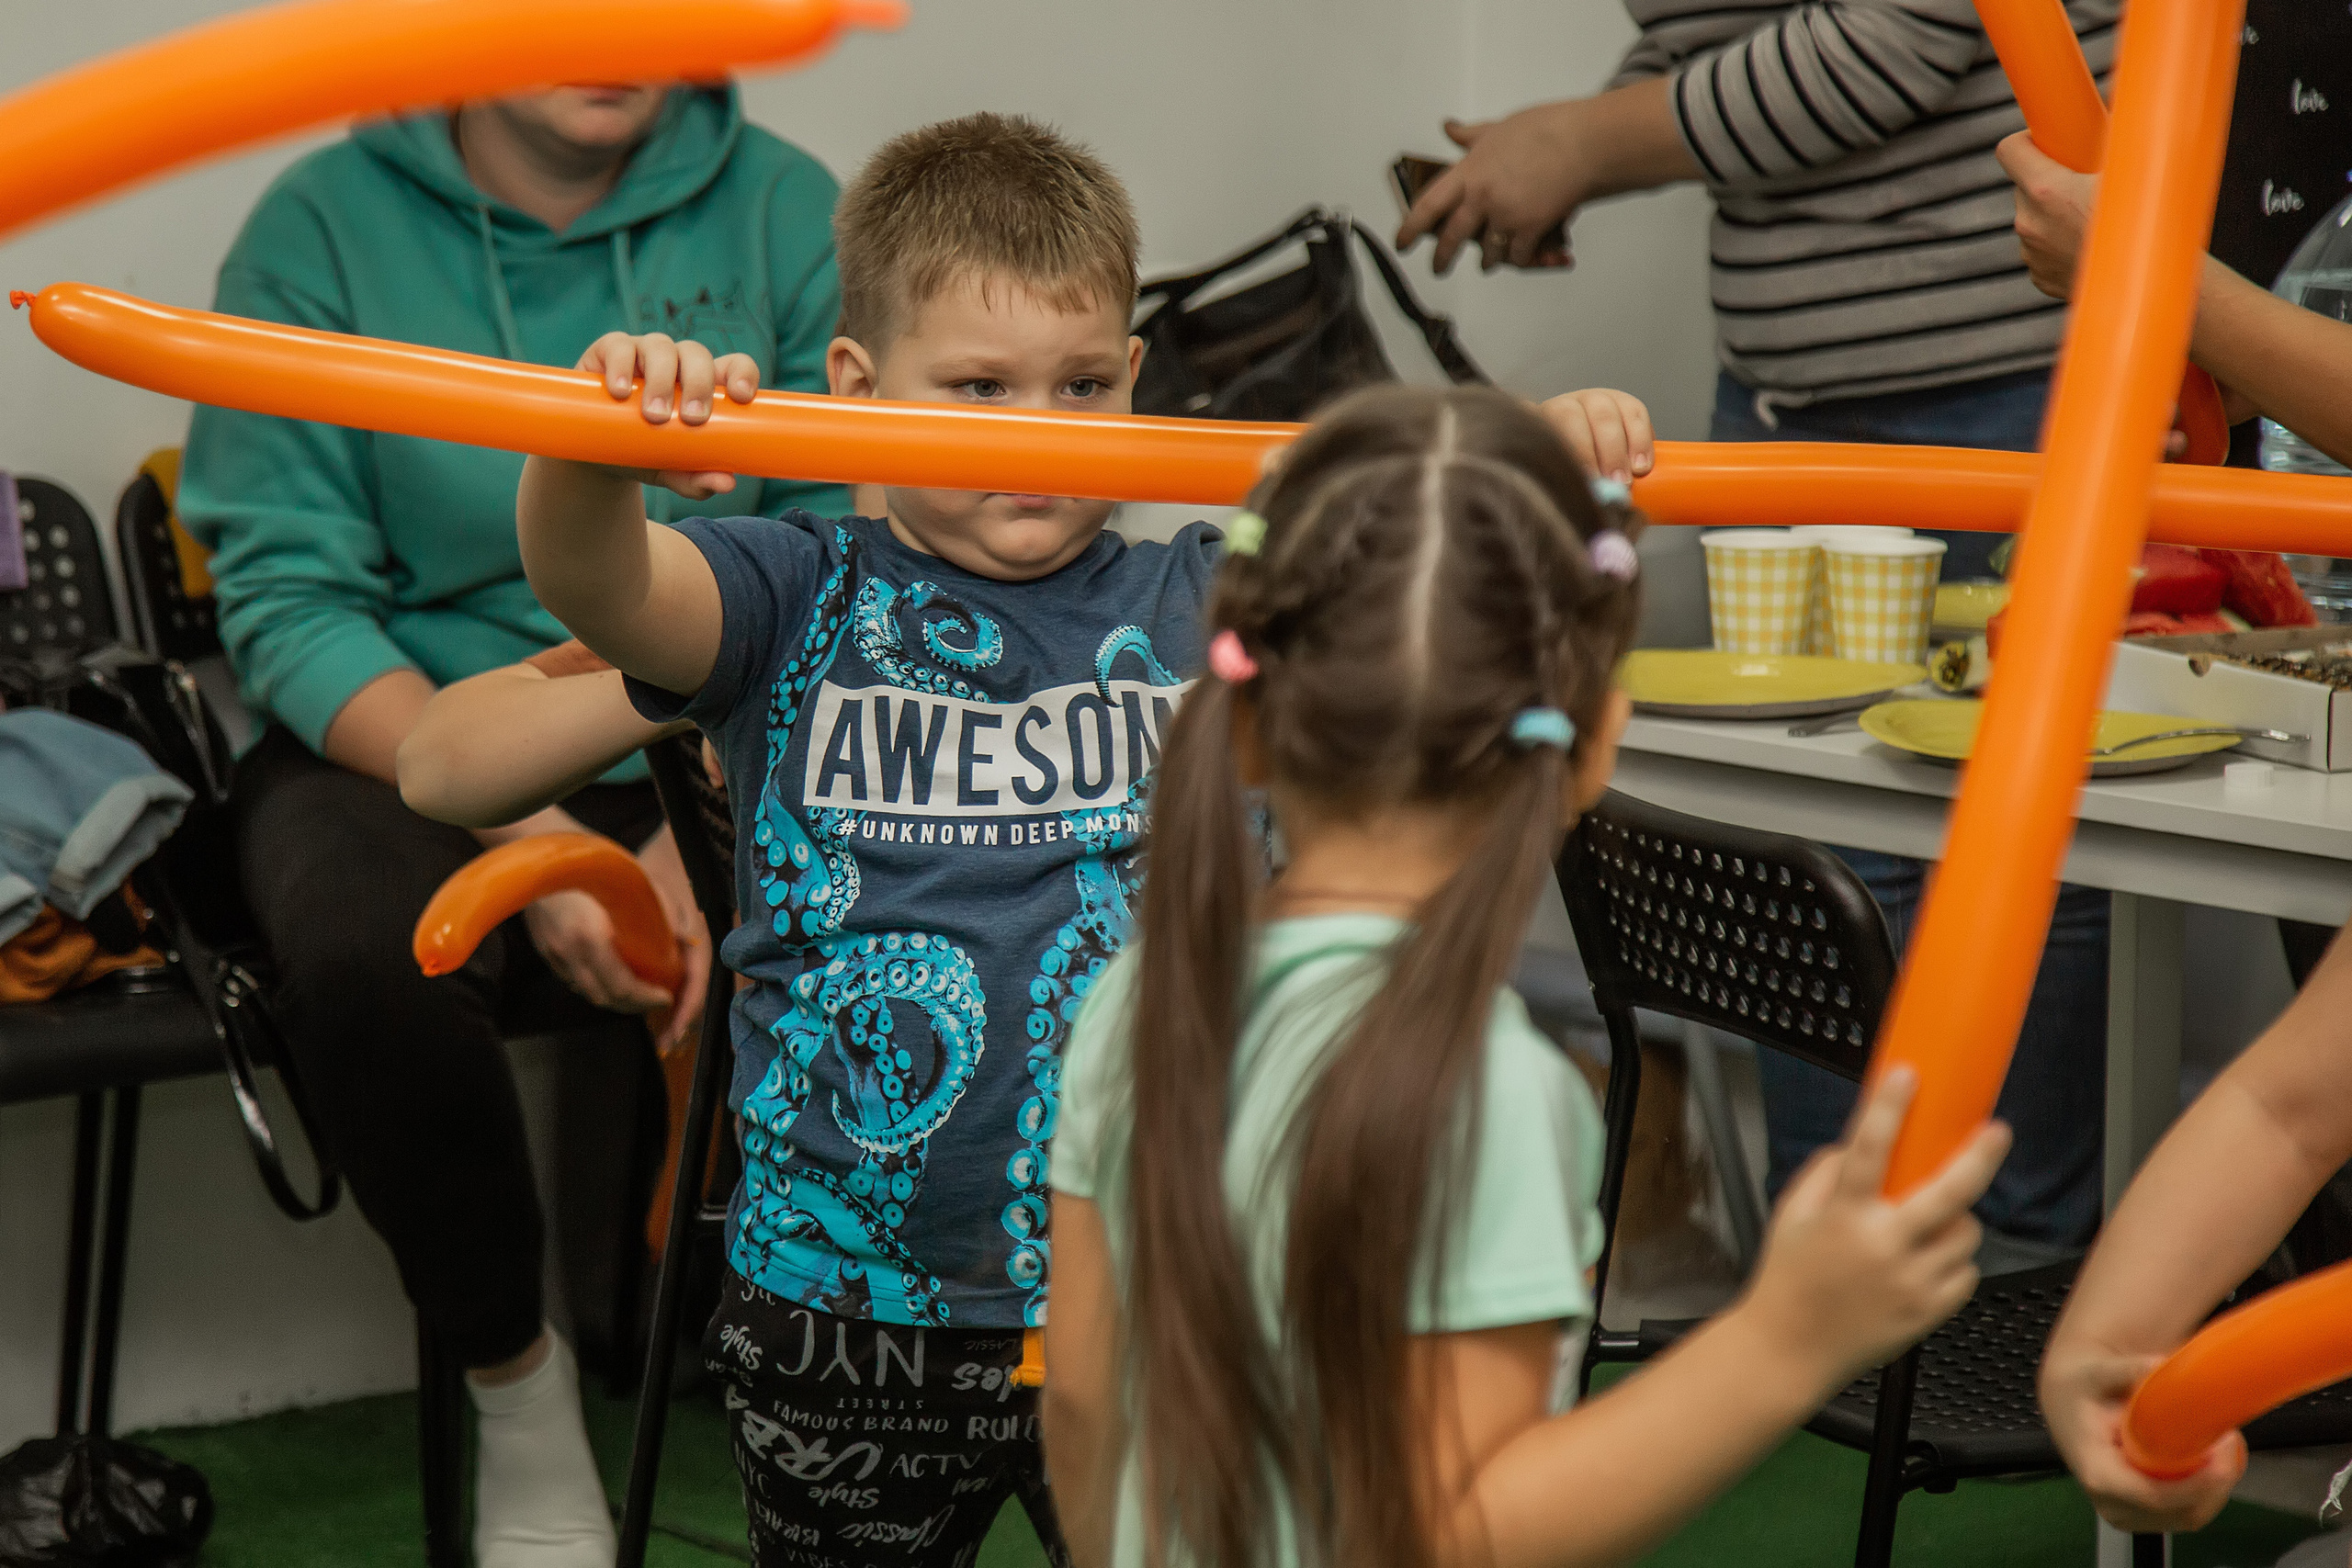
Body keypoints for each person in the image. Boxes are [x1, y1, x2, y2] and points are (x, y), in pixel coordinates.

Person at [468, 108, 1659, 1565]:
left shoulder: (1209, 591)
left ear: (1136, 385)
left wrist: (1542, 461)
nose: (1034, 435)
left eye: (1081, 385)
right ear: (856, 388)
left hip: (1163, 1285)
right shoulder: (786, 590)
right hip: (842, 1313)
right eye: (977, 387)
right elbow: (593, 584)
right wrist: (589, 450)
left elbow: (1436, 565)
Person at [1035, 382, 2012, 1568]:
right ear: (1594, 743)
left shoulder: (1139, 1000)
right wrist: (1787, 1338)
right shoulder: (1483, 1087)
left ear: (1246, 719)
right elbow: (1456, 1531)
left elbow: (1078, 1404)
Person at [176, 79, 844, 1568]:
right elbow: (289, 601)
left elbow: (839, 534)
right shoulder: (319, 230)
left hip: (710, 699)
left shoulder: (788, 207)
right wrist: (538, 846)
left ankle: (871, 1357)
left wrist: (709, 801)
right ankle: (519, 1395)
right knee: (365, 959)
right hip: (407, 719)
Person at [1396, 2, 2127, 1262]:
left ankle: (2008, 1277)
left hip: (2007, 382)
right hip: (1789, 394)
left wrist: (1582, 142)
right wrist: (1569, 138)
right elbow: (1715, 30)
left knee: (2018, 840)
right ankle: (1819, 1265)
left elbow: (1905, 30)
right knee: (1819, 841)